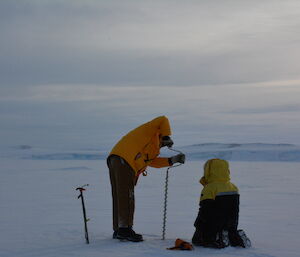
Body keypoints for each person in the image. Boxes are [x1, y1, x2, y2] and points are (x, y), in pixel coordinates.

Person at [107, 116, 185, 242]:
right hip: (125, 160)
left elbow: (152, 162)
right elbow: (163, 119)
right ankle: (125, 230)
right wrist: (166, 136)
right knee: (127, 196)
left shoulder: (152, 148)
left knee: (120, 195)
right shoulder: (150, 131)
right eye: (163, 139)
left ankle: (119, 229)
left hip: (117, 159)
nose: (163, 144)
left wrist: (172, 160)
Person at [192, 158, 251, 248]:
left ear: (209, 171)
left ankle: (219, 237)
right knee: (229, 232)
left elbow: (205, 210)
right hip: (231, 223)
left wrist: (198, 224)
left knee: (197, 240)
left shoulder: (210, 188)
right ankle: (234, 237)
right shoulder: (233, 187)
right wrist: (232, 226)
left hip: (213, 224)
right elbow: (235, 210)